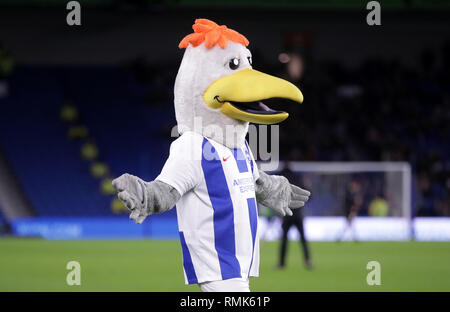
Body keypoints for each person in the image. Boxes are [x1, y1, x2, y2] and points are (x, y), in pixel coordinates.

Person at [277, 167, 313, 270]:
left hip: (287, 215)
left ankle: (281, 264)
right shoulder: (299, 180)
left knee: (284, 240)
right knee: (302, 239)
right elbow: (308, 195)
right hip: (298, 214)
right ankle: (308, 261)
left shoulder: (282, 183)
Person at [337, 176, 363, 242]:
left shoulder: (352, 194)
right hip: (349, 211)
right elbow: (352, 204)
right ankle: (353, 237)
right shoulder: (349, 194)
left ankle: (342, 237)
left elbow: (355, 204)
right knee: (349, 225)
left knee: (349, 225)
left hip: (351, 211)